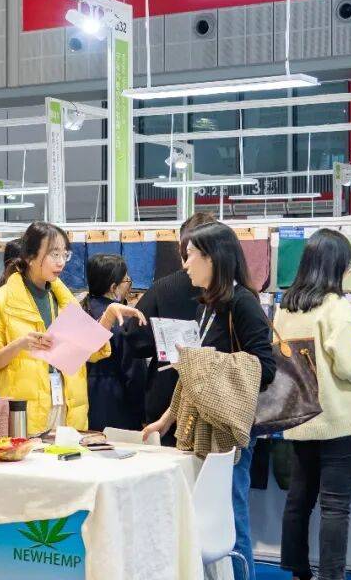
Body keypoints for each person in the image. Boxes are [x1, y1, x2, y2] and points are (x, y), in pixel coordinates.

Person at [143, 221, 276, 580]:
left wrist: (206, 361)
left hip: (229, 433)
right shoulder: (208, 304)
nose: (185, 265)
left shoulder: (242, 303)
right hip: (204, 430)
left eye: (190, 256)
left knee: (230, 519)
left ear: (212, 258)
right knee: (208, 520)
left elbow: (265, 368)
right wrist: (167, 419)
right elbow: (195, 376)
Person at [0, 221, 146, 436]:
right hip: (25, 412)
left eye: (65, 254)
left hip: (67, 407)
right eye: (54, 254)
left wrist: (107, 317)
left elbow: (85, 351)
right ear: (30, 256)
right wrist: (20, 345)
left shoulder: (63, 300)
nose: (61, 262)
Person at [274, 229, 351, 580]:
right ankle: (331, 575)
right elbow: (349, 367)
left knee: (299, 499)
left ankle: (298, 571)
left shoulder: (285, 307)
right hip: (338, 417)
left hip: (300, 416)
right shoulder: (337, 308)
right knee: (335, 505)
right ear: (338, 265)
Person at [123, 212, 215, 437]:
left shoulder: (163, 288)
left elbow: (135, 338)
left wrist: (163, 344)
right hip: (215, 395)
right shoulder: (232, 292)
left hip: (167, 387)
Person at [83, 253, 147, 431]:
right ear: (113, 287)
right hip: (116, 405)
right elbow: (135, 375)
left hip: (80, 403)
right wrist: (143, 414)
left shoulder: (79, 312)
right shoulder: (123, 320)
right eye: (126, 280)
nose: (129, 283)